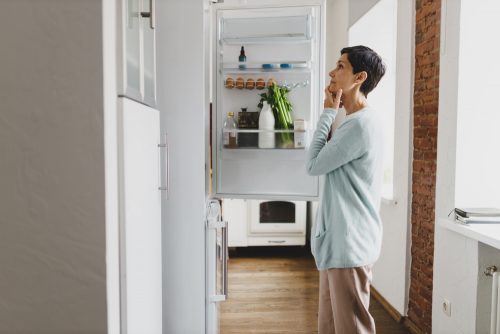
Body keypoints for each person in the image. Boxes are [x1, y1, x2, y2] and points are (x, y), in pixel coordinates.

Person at [306, 45, 386, 334]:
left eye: (340, 66)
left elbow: (313, 164)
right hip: (338, 245)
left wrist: (327, 113)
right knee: (329, 327)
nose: (331, 72)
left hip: (348, 245)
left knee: (352, 329)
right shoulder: (355, 122)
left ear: (359, 77)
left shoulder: (359, 126)